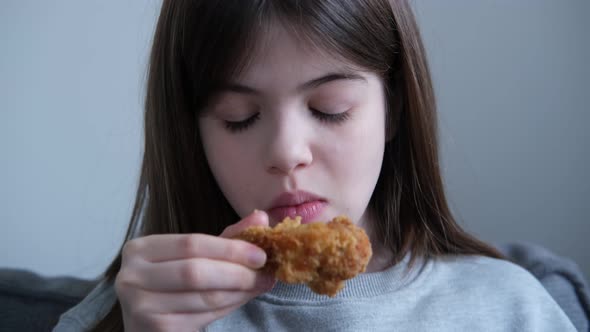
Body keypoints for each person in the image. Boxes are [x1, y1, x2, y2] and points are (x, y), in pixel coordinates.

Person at [54, 0, 576, 331]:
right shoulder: (137, 309)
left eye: (331, 109)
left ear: (392, 108)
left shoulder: (513, 308)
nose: (286, 153)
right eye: (240, 118)